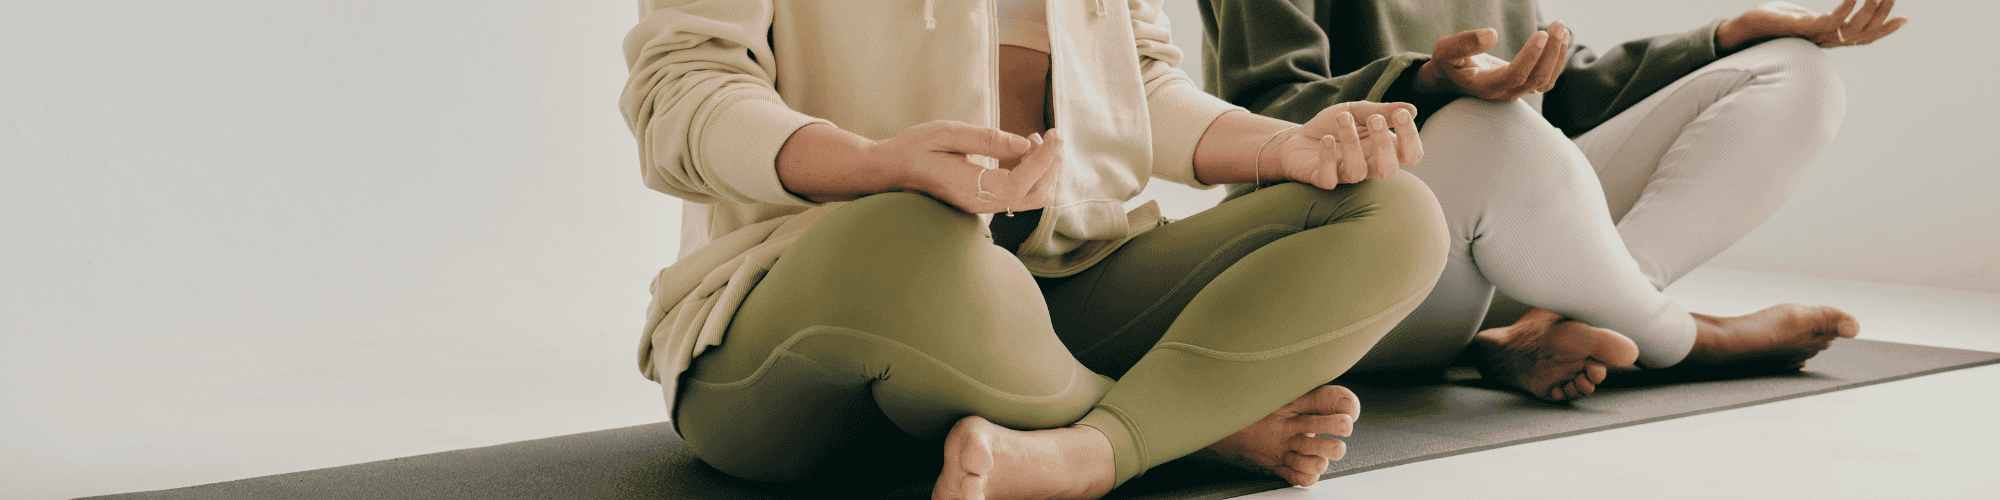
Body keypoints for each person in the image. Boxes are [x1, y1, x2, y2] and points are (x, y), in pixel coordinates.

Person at [619, 0, 1451, 497]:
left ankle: (1086, 454)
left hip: (1053, 291)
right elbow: (682, 88)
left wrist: (1283, 149)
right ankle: (1184, 426)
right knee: (912, 234)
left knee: (1392, 212)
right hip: (812, 306)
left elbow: (1143, 84)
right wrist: (873, 166)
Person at [1200, 0, 1904, 400]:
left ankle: (1555, 322)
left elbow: (1549, 94)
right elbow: (1267, 111)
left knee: (1796, 73)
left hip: (1502, 234)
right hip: (1365, 265)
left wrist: (1722, 38)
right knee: (1487, 128)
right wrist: (1430, 83)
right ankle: (1680, 339)